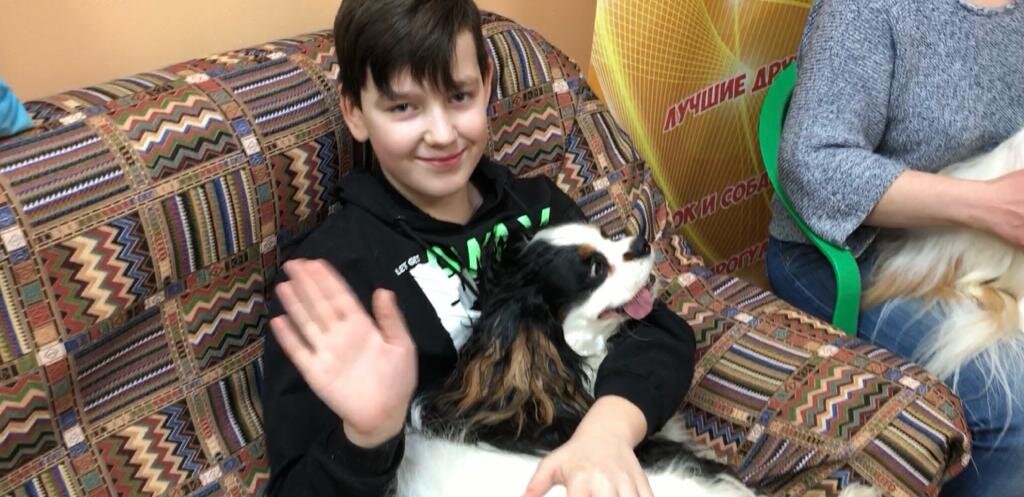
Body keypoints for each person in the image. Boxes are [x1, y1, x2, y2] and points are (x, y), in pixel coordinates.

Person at [261, 1, 697, 496]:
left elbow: (658, 331)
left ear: (486, 85)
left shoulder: (536, 208)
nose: (442, 134)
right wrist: (367, 436)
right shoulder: (330, 271)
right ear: (355, 112)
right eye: (403, 107)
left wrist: (605, 435)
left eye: (459, 96)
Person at [764, 0, 1024, 494]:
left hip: (985, 250)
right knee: (1013, 412)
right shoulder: (867, 10)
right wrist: (987, 206)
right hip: (851, 252)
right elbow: (813, 164)